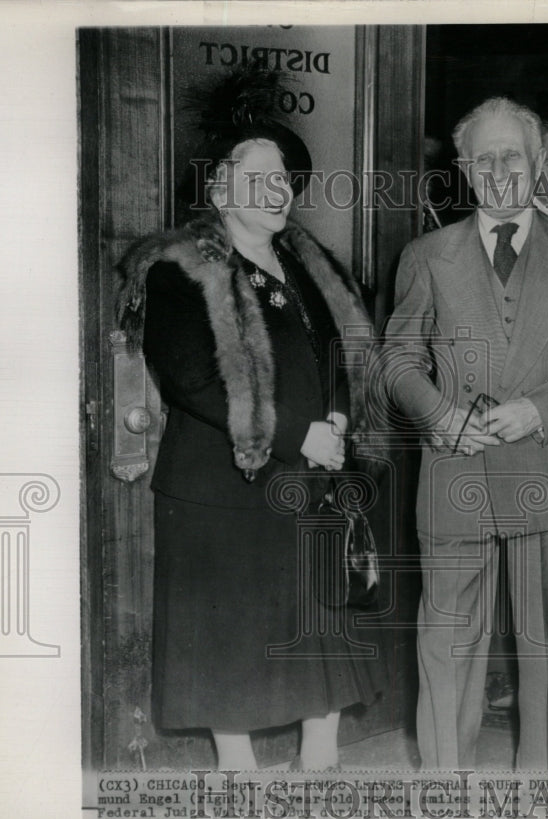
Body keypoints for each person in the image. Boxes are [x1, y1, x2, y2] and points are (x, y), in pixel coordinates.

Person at [116, 69, 384, 772]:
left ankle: (319, 757)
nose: (280, 192)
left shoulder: (311, 263)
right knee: (227, 640)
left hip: (309, 479)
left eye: (287, 180)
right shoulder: (177, 268)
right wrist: (298, 435)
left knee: (316, 623)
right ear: (218, 189)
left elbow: (343, 358)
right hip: (220, 492)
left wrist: (335, 420)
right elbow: (191, 377)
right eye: (260, 176)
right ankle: (239, 770)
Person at [381, 96, 548, 769]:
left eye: (510, 156)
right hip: (456, 470)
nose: (497, 170)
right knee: (446, 641)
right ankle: (442, 788)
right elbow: (396, 360)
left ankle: (535, 788)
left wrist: (539, 409)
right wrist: (440, 416)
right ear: (462, 169)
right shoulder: (427, 253)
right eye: (481, 158)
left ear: (536, 162)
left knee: (543, 646)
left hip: (547, 465)